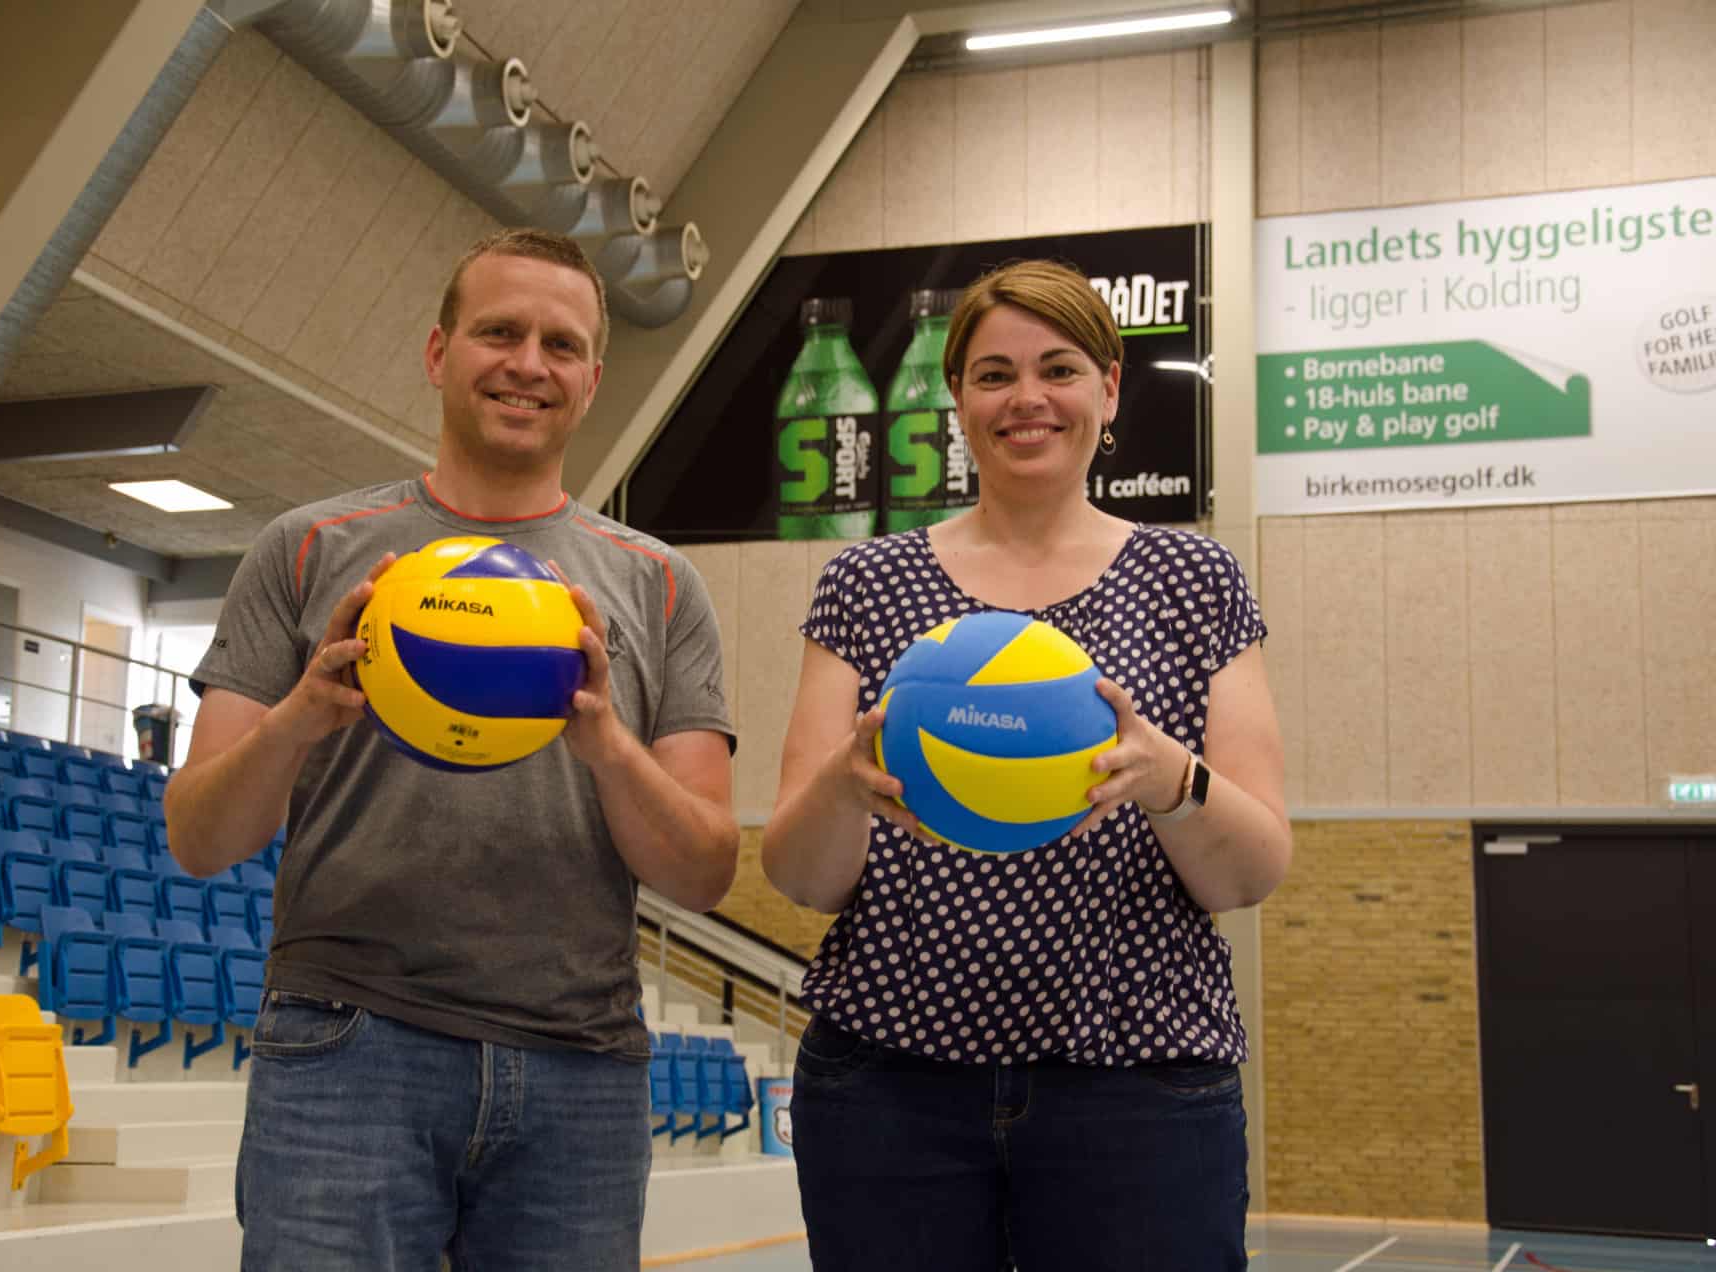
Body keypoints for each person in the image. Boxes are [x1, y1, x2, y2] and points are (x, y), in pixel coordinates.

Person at [164, 227, 740, 1272]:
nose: (529, 363)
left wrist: (606, 742)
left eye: (560, 345)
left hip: (580, 1070)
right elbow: (199, 837)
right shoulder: (306, 547)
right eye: (499, 332)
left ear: (593, 380)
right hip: (347, 1047)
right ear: (440, 353)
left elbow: (704, 871)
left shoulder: (657, 585)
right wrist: (302, 714)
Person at [762, 259, 1292, 1270]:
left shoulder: (1193, 579)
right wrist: (843, 787)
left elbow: (1252, 869)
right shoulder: (867, 582)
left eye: (1058, 368)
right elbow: (798, 877)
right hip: (890, 1087)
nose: (1028, 399)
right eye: (994, 373)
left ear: (1110, 387)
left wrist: (1170, 779)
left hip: (1140, 1085)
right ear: (957, 396)